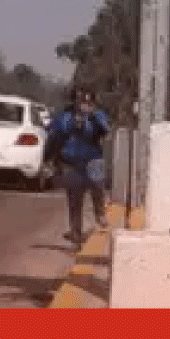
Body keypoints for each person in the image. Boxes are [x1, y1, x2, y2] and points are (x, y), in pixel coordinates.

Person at [44, 88, 110, 246]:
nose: (85, 106)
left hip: (94, 160)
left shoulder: (98, 116)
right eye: (82, 102)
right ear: (75, 103)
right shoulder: (64, 117)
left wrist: (93, 119)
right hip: (71, 162)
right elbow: (53, 137)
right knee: (74, 198)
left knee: (98, 187)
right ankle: (75, 232)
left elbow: (105, 130)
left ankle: (100, 213)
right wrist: (48, 160)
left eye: (89, 103)